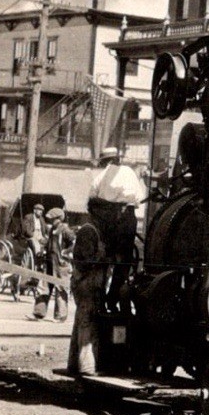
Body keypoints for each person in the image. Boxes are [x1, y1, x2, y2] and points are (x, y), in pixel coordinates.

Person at [88, 147, 147, 309]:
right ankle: (113, 297)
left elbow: (91, 200)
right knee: (123, 261)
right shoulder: (128, 172)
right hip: (126, 217)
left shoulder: (99, 177)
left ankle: (100, 298)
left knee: (104, 259)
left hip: (106, 220)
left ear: (104, 161)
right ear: (117, 159)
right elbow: (140, 197)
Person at [67, 219, 107, 376]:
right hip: (85, 284)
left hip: (85, 283)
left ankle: (73, 364)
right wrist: (101, 259)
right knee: (86, 322)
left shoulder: (90, 231)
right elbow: (84, 259)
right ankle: (87, 366)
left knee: (81, 322)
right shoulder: (89, 231)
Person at [43, 208, 75, 323]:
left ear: (58, 219)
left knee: (60, 288)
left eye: (53, 218)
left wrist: (65, 252)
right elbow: (49, 243)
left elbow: (74, 243)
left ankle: (60, 316)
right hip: (50, 261)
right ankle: (39, 312)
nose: (51, 220)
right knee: (45, 285)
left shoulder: (65, 229)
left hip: (61, 264)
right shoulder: (52, 229)